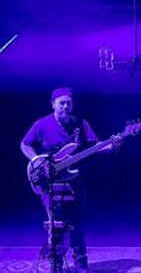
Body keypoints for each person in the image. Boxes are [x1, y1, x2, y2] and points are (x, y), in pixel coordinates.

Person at [20, 88, 121, 273]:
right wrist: (36, 160)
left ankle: (81, 265)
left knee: (78, 222)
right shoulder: (41, 124)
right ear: (53, 104)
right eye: (62, 103)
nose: (66, 106)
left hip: (75, 180)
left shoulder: (80, 123)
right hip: (49, 181)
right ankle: (57, 265)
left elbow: (96, 146)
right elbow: (25, 144)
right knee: (56, 225)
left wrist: (112, 146)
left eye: (69, 103)